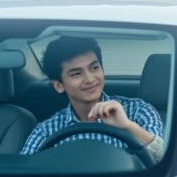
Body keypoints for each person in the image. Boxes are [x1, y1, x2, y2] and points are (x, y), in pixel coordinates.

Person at [20, 36, 165, 162]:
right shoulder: (47, 130)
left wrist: (127, 125)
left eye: (94, 68)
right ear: (59, 85)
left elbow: (166, 158)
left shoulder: (138, 110)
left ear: (102, 69)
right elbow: (24, 174)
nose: (90, 79)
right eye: (76, 74)